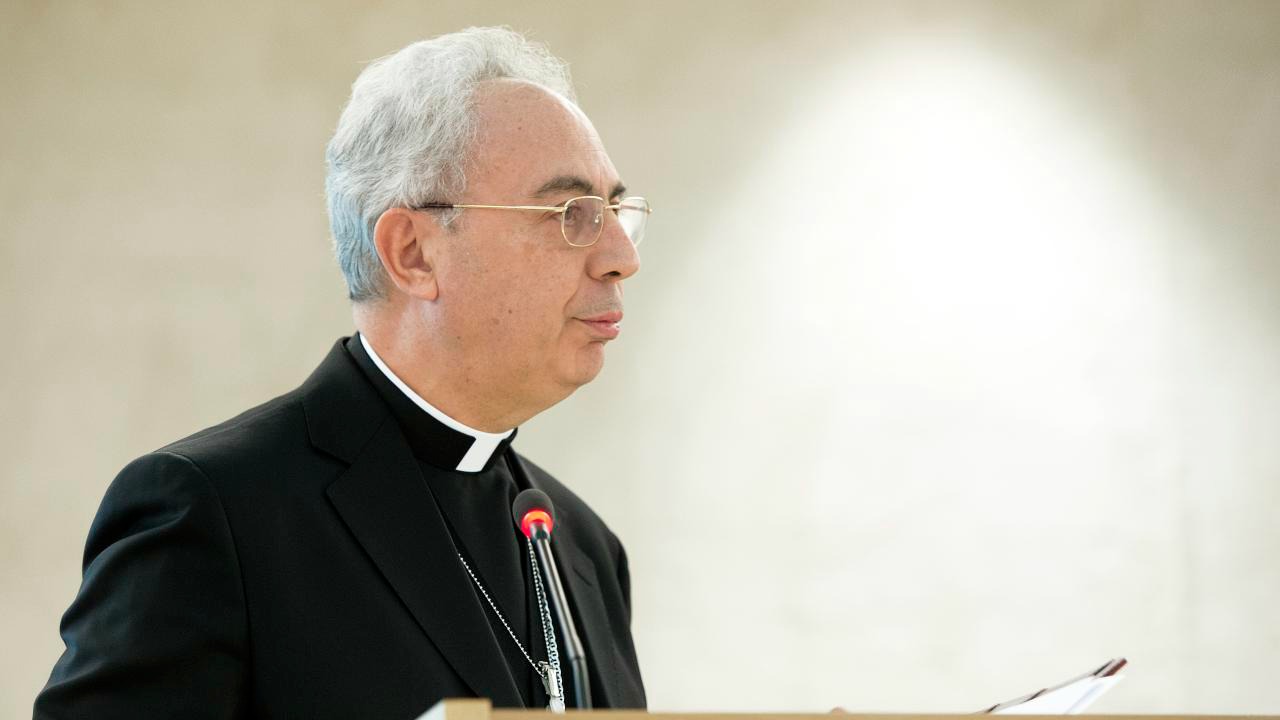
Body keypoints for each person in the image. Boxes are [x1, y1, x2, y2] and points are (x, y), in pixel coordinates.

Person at [35, 27, 649, 719]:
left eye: (617, 211)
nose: (621, 254)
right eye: (569, 213)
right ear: (413, 252)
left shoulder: (584, 545)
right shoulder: (217, 512)